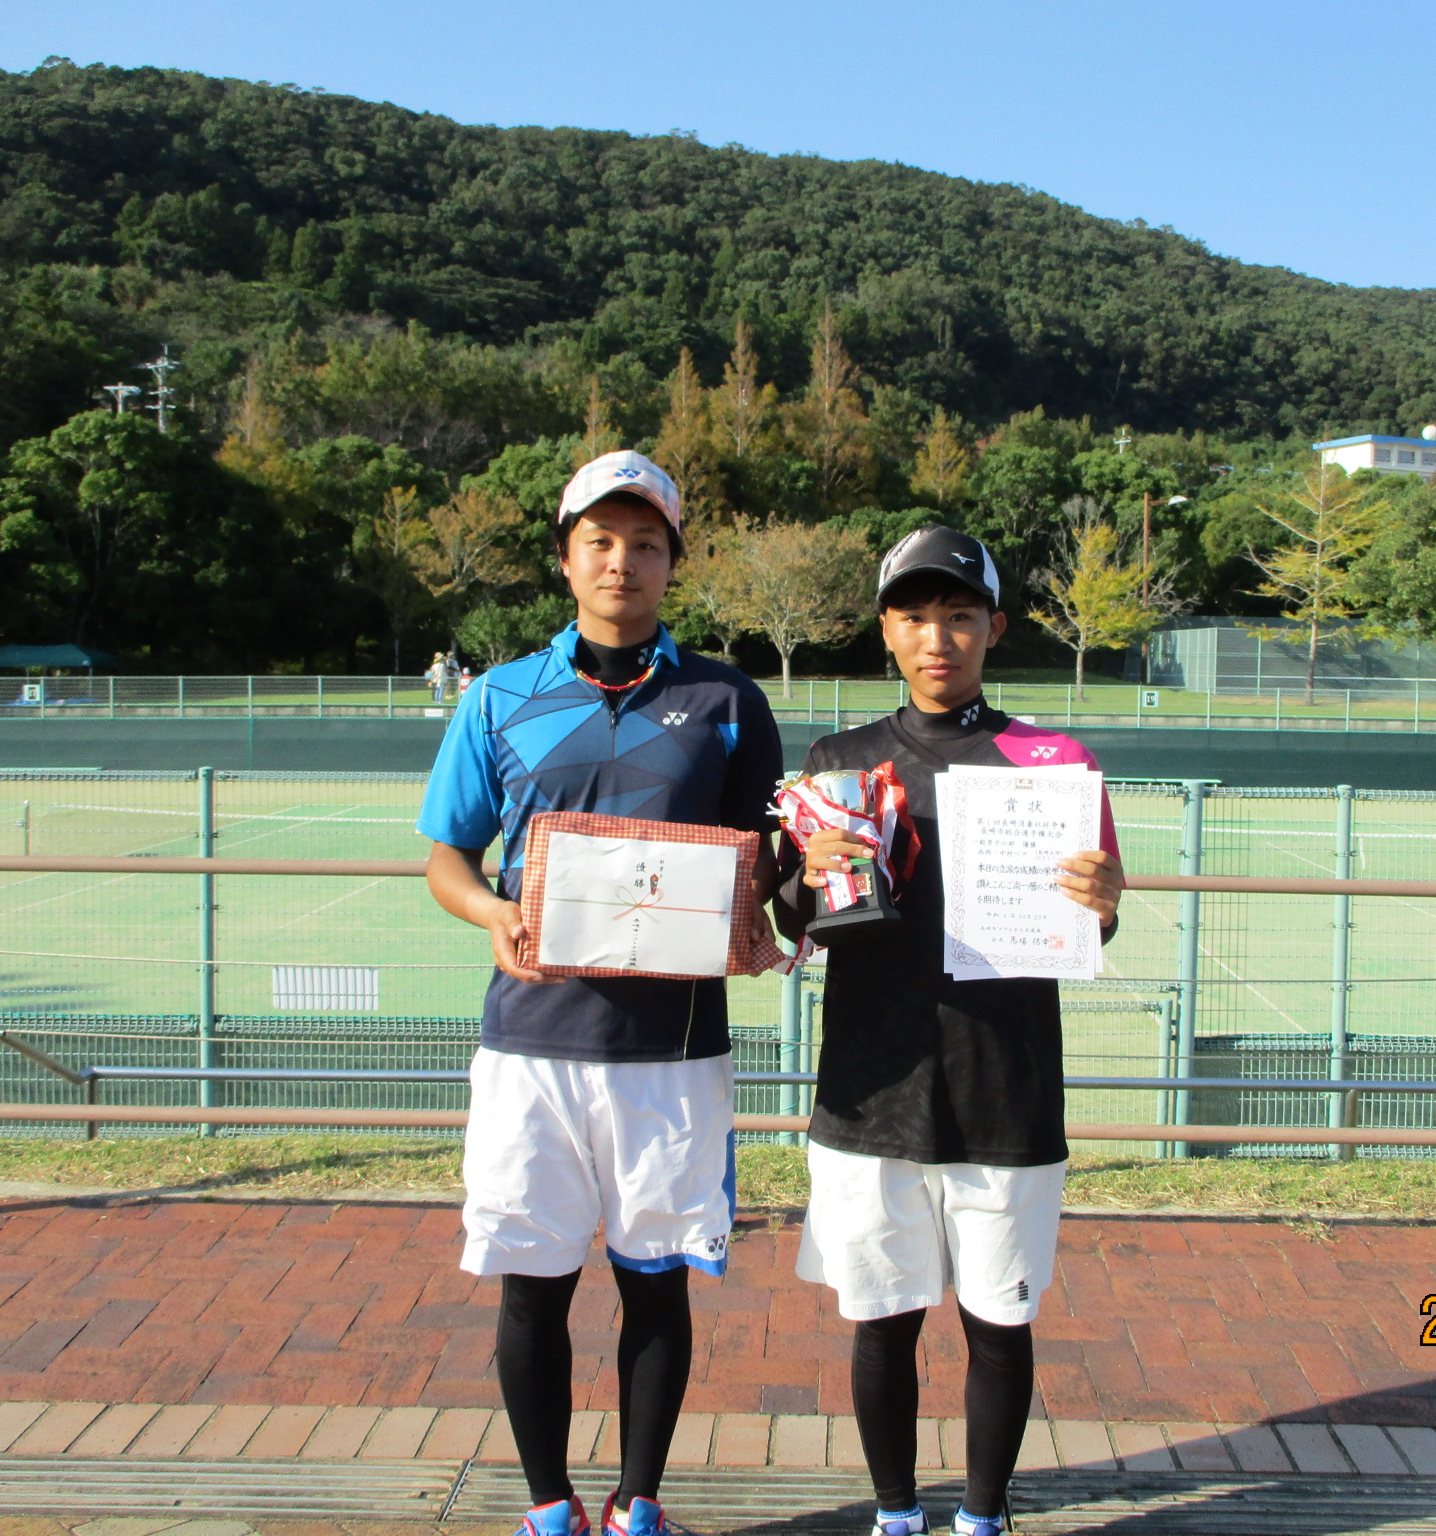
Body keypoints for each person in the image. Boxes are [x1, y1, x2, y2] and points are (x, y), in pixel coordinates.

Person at [417, 450, 784, 1536]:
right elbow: (448, 859)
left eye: (646, 543)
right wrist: (492, 916)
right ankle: (548, 1506)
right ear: (566, 558)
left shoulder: (726, 700)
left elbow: (766, 855)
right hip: (529, 1045)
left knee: (655, 1285)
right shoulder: (498, 696)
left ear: (673, 562)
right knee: (531, 1286)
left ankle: (636, 1503)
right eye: (601, 541)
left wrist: (766, 907)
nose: (623, 561)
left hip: (672, 1052)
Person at [772, 526, 1124, 1536]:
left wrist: (1103, 899)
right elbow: (791, 921)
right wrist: (806, 877)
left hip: (1004, 1089)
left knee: (999, 1326)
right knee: (880, 1326)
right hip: (870, 1093)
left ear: (994, 629)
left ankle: (981, 1515)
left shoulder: (1054, 762)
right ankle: (894, 1512)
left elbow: (1093, 920)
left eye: (959, 615)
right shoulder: (836, 763)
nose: (938, 638)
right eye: (915, 616)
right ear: (886, 630)